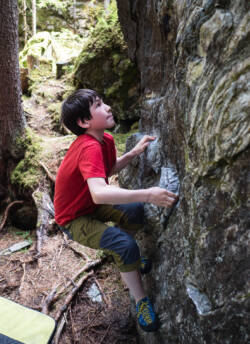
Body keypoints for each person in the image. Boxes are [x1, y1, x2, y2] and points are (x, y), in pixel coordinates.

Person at [54, 89, 178, 332]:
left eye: (103, 102)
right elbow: (99, 192)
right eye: (99, 105)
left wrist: (133, 153)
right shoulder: (88, 147)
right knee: (126, 244)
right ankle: (141, 299)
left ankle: (125, 260)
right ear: (83, 122)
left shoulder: (105, 139)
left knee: (133, 212)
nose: (108, 107)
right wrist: (149, 194)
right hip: (73, 218)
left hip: (90, 204)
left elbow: (107, 171)